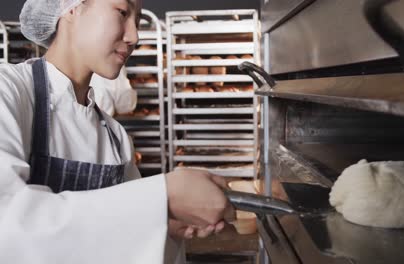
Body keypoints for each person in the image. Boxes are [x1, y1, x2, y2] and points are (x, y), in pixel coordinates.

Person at [0, 0, 235, 263]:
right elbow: (6, 225)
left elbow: (126, 238)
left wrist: (162, 225)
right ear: (71, 8)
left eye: (137, 20)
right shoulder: (8, 93)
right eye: (122, 12)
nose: (134, 36)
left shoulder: (115, 137)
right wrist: (160, 195)